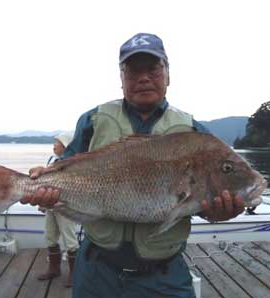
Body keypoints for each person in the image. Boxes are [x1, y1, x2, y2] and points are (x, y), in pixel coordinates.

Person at [21, 33, 245, 298]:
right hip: (96, 270)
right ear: (121, 78)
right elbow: (63, 168)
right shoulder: (93, 120)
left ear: (168, 74)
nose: (143, 77)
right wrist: (43, 183)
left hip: (163, 275)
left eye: (153, 68)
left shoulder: (195, 133)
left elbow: (201, 206)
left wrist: (220, 212)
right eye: (133, 70)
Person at [36, 133, 79, 288]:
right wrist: (43, 203)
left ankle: (75, 274)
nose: (54, 145)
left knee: (70, 240)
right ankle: (54, 269)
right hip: (51, 207)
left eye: (57, 143)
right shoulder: (51, 160)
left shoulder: (71, 163)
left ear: (65, 146)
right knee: (50, 236)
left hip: (65, 206)